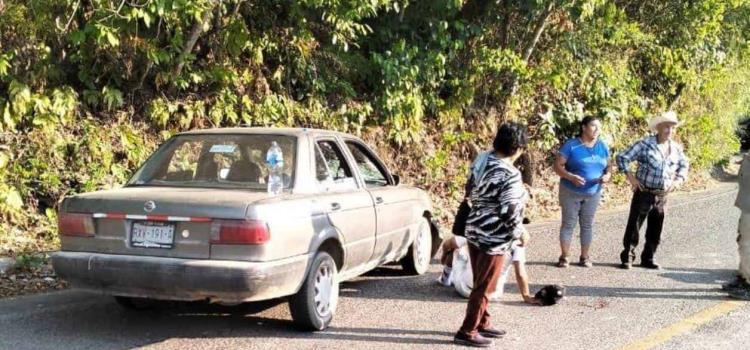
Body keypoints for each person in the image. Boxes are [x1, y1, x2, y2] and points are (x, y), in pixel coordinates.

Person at [454, 122, 529, 347]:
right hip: (493, 236)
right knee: (485, 286)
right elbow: (509, 210)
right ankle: (467, 330)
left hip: (474, 226)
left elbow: (470, 189)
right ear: (518, 148)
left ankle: (483, 323)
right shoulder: (511, 174)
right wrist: (520, 232)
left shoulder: (482, 159)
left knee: (480, 280)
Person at [616, 111, 689, 270]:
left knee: (656, 228)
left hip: (662, 194)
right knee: (635, 225)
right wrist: (631, 177)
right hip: (644, 191)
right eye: (666, 127)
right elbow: (622, 157)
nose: (669, 130)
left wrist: (678, 181)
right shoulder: (644, 144)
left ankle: (649, 257)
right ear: (658, 127)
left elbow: (684, 165)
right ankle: (627, 257)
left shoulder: (676, 148)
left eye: (672, 127)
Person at [553, 117, 611, 268]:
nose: (597, 130)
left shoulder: (602, 146)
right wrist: (570, 177)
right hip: (570, 191)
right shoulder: (571, 145)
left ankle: (584, 257)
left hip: (593, 192)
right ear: (584, 127)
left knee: (587, 225)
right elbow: (558, 166)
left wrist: (607, 176)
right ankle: (564, 257)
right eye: (593, 126)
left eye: (599, 126)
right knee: (568, 224)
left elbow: (609, 166)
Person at [438, 235, 540, 305]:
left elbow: (448, 244)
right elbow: (520, 273)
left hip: (465, 289)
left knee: (456, 250)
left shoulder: (479, 227)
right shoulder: (518, 242)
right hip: (492, 294)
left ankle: (445, 279)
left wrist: (443, 258)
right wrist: (526, 296)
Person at [725, 152, 750, 300]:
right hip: (746, 205)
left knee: (748, 245)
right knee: (743, 242)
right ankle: (743, 278)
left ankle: (748, 285)